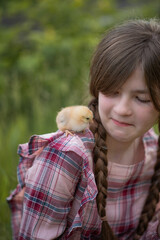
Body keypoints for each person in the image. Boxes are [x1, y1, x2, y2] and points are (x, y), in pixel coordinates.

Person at [7, 19, 160, 240]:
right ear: (97, 88)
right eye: (113, 92)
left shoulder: (153, 149)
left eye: (142, 99)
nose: (123, 109)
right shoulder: (65, 157)